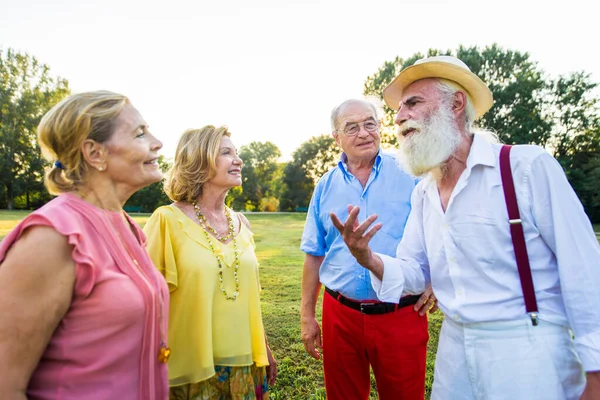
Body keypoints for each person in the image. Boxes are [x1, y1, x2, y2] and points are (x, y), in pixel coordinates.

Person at [331, 55, 600, 400]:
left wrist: (595, 373)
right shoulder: (425, 192)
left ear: (455, 103)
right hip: (454, 350)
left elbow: (585, 270)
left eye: (413, 103)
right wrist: (367, 257)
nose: (399, 118)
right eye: (399, 109)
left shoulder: (525, 167)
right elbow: (415, 270)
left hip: (527, 350)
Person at [0, 91, 169, 400]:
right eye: (140, 133)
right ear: (95, 153)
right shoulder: (52, 237)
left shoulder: (127, 226)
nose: (157, 142)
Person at [300, 97, 435, 400]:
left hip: (401, 312)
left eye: (370, 123)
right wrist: (308, 315)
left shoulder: (413, 174)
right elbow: (314, 254)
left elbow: (440, 233)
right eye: (352, 127)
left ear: (379, 127)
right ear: (336, 138)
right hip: (340, 313)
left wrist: (435, 280)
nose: (363, 133)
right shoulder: (324, 185)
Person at [143, 125, 276, 400]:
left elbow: (250, 297)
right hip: (190, 368)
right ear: (199, 161)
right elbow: (146, 301)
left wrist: (264, 347)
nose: (238, 160)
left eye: (236, 153)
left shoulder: (242, 222)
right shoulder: (166, 220)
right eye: (226, 153)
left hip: (244, 363)